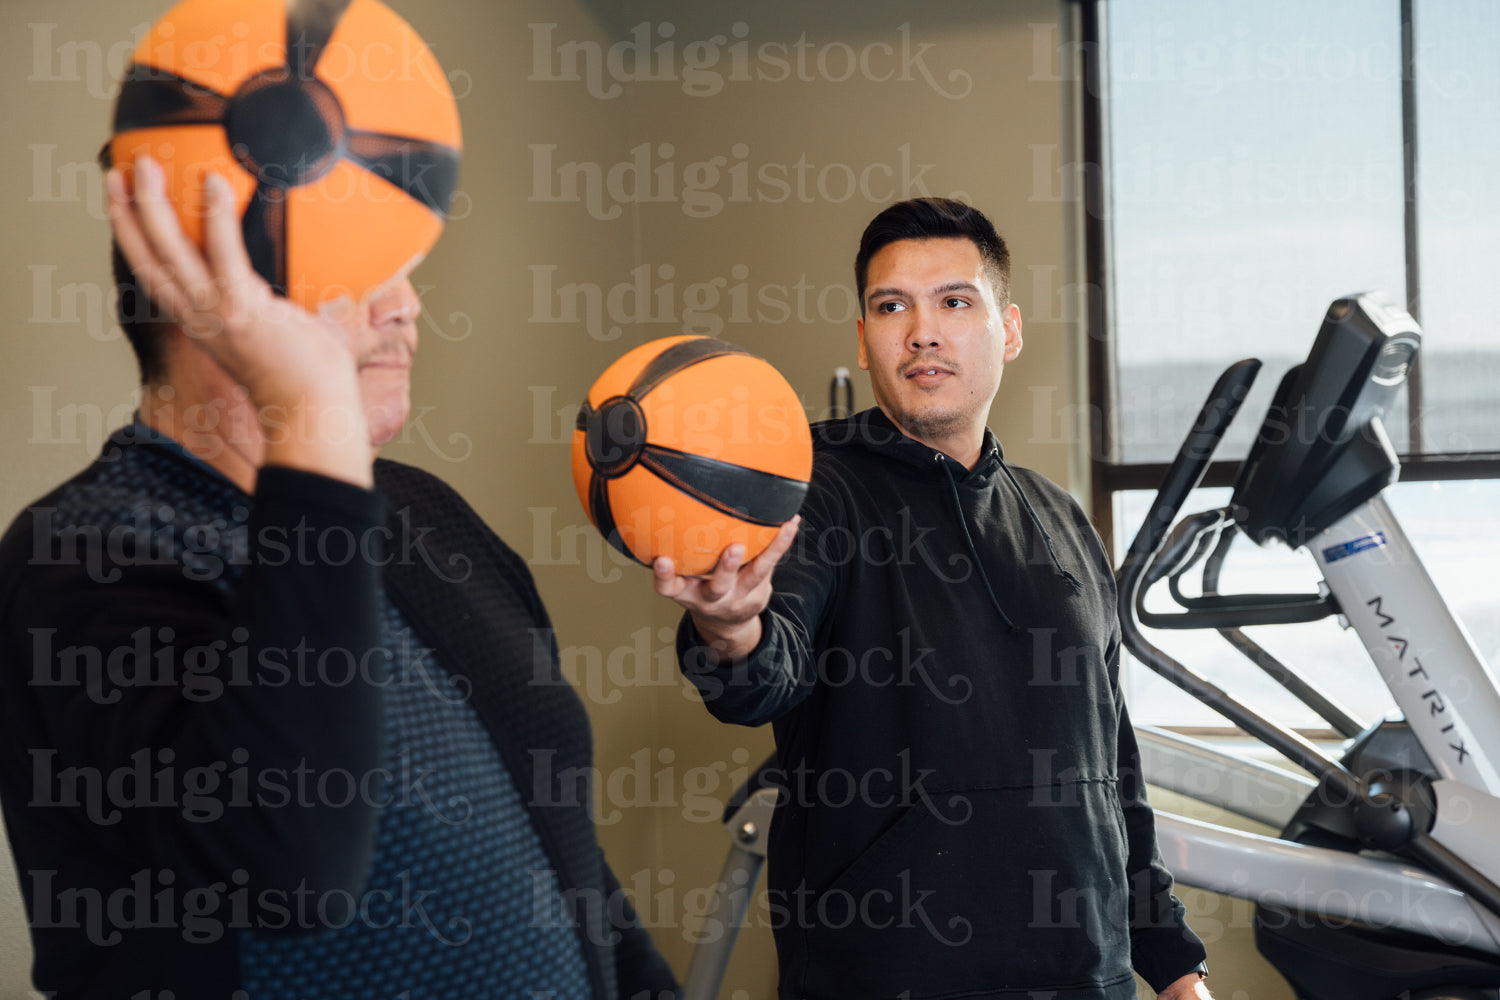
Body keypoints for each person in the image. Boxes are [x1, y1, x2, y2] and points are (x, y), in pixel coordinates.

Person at [0, 152, 679, 999]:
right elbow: (290, 865)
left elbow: (569, 864)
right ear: (208, 290)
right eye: (362, 271)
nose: (407, 304)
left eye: (403, 271)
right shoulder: (81, 555)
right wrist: (310, 415)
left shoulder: (429, 514)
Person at [654, 198, 1213, 1000]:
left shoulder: (1059, 518)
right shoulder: (815, 492)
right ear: (864, 338)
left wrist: (1175, 965)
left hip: (1084, 979)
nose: (922, 331)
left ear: (1008, 330)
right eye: (892, 307)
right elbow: (763, 675)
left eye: (955, 301)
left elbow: (1113, 772)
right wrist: (728, 625)